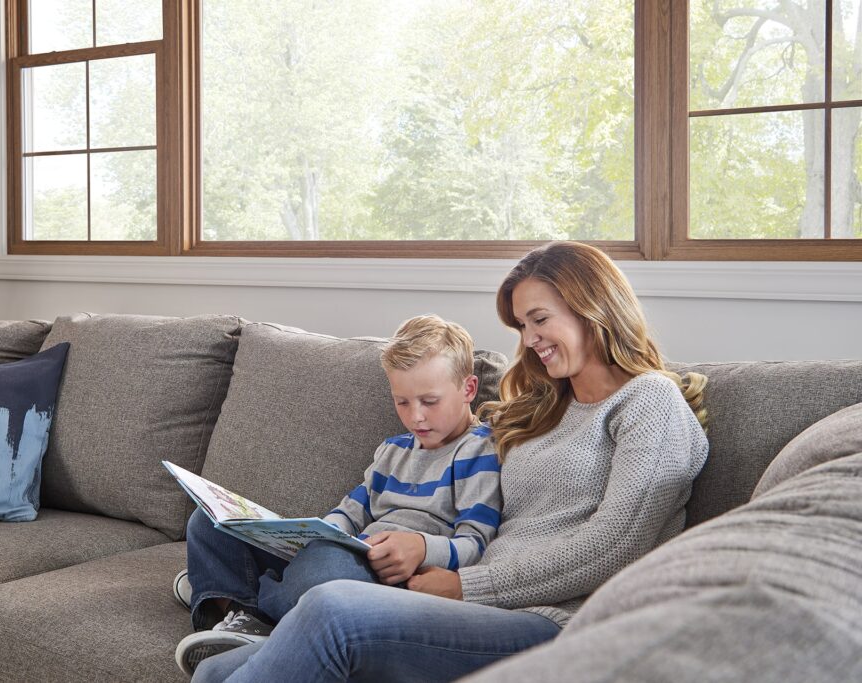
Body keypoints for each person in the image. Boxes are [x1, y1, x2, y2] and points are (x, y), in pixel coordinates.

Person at [190, 241, 710, 683]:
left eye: (539, 319)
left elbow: (613, 546)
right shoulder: (546, 408)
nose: (529, 340)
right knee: (216, 671)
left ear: (593, 306)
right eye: (522, 325)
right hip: (471, 599)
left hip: (558, 620)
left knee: (334, 609)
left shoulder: (649, 403)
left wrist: (466, 584)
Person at [174, 315, 503, 675]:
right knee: (208, 521)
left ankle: (233, 602)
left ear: (469, 389)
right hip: (349, 549)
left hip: (383, 578)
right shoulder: (393, 450)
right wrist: (319, 530)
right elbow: (352, 509)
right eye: (403, 402)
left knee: (325, 566)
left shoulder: (480, 451)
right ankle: (239, 609)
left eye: (429, 401)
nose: (416, 417)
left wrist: (422, 547)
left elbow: (477, 543)